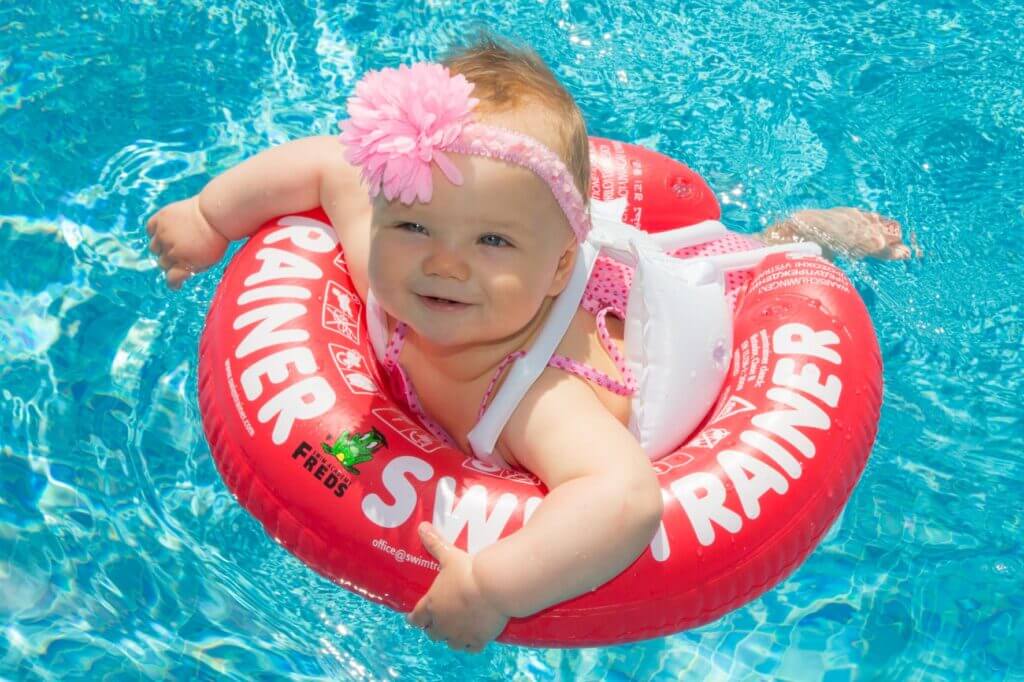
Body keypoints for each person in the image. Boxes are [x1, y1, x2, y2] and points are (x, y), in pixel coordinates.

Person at [146, 36, 916, 653]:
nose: (443, 262)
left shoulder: (536, 396)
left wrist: (492, 588)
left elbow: (624, 499)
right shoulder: (388, 262)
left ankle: (801, 234)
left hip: (678, 326)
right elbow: (324, 165)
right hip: (575, 280)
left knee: (755, 259)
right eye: (412, 226)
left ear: (553, 268)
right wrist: (209, 216)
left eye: (490, 240)